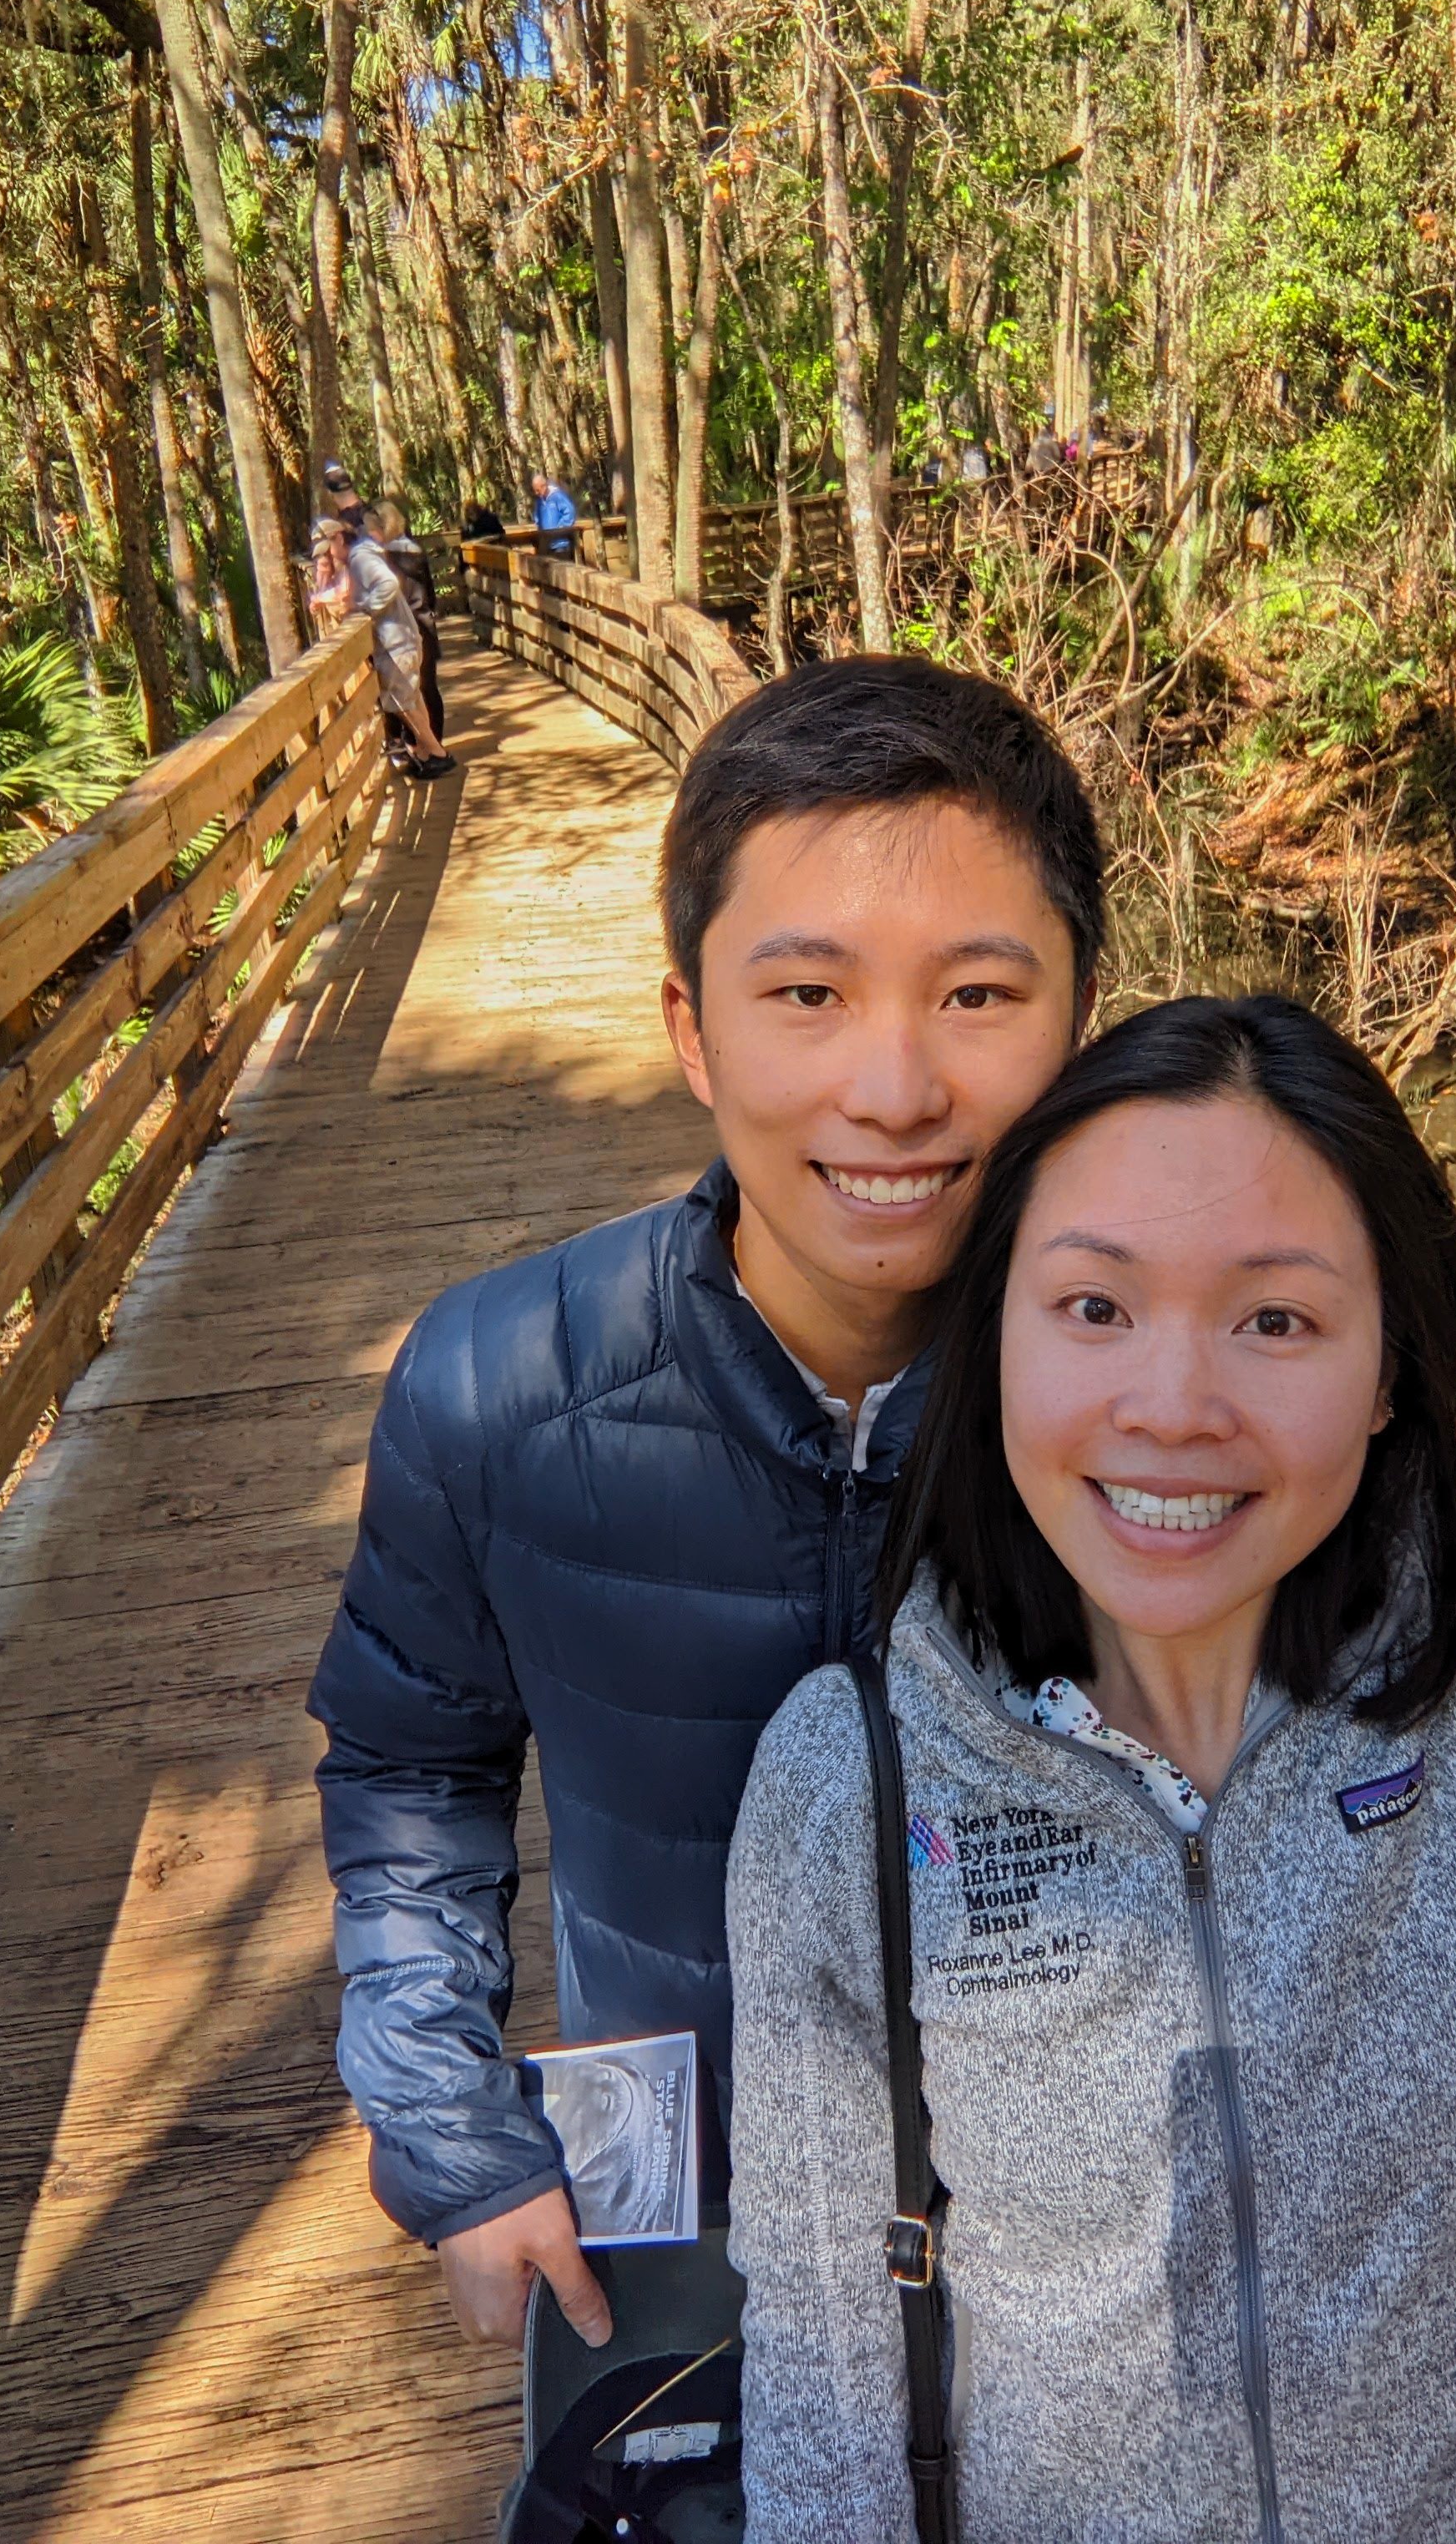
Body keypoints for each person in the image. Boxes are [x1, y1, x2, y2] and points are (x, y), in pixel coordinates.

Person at [726, 992, 1456, 2542]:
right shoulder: (852, 1779)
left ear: (1392, 1369)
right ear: (993, 1329)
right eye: (1092, 1307)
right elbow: (820, 2374)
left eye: (1273, 1318)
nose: (1170, 1405)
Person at [311, 657, 1105, 2360]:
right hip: (684, 2231)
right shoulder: (496, 1388)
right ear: (690, 1029)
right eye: (807, 995)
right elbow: (409, 1765)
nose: (894, 1091)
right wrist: (458, 2141)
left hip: (1081, 2253)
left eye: (978, 995)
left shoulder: (1167, 1422)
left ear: (1082, 1022)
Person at [308, 517, 456, 781]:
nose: (327, 558)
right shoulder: (359, 558)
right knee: (409, 698)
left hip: (395, 640)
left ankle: (438, 754)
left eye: (327, 550)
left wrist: (367, 609)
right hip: (399, 638)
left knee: (402, 701)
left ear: (339, 538)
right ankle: (427, 753)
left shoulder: (360, 559)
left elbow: (388, 584)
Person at [365, 496, 447, 753]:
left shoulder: (386, 558)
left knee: (406, 693)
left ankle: (420, 747)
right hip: (424, 624)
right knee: (428, 687)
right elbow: (430, 596)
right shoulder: (416, 551)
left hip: (401, 631)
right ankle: (434, 744)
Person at [530, 470, 579, 558]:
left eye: (538, 490)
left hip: (561, 543)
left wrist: (561, 527)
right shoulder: (539, 502)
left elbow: (570, 512)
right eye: (535, 491)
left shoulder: (558, 496)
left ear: (544, 486)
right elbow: (537, 518)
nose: (536, 493)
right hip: (547, 544)